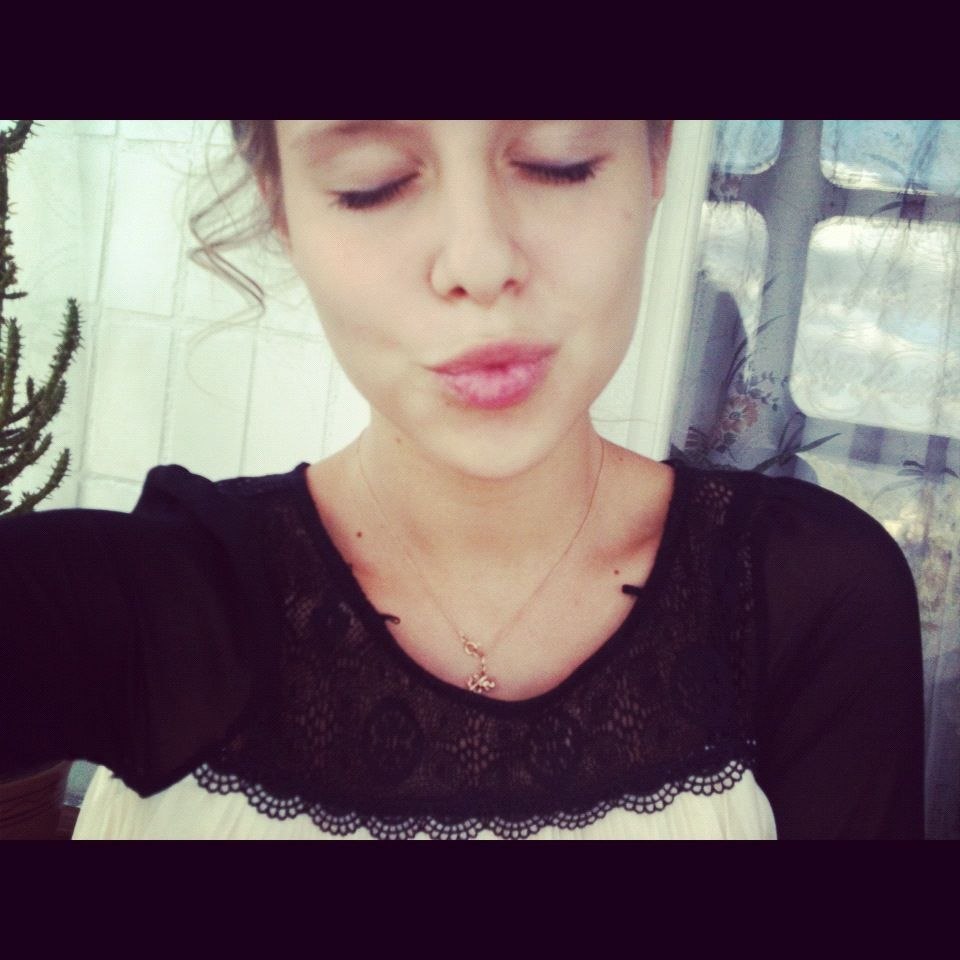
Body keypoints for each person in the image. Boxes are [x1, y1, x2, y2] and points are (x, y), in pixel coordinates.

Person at [0, 121, 924, 839]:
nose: (480, 265)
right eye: (371, 182)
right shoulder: (141, 605)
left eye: (561, 161)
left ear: (657, 158)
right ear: (283, 208)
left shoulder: (807, 596)